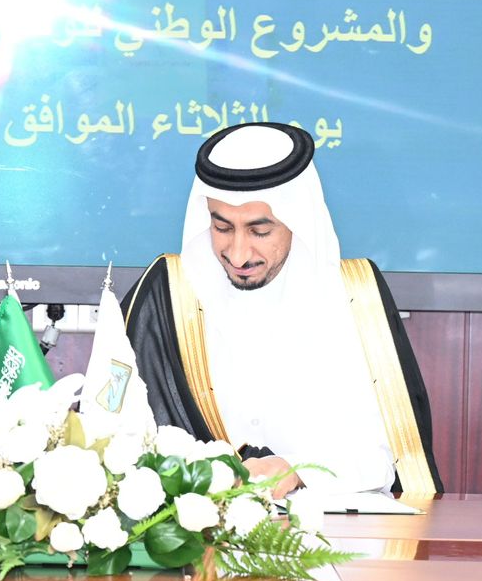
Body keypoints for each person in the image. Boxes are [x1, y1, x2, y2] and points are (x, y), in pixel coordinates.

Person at [122, 122, 440, 497]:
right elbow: (115, 436)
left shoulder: (355, 298)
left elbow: (386, 459)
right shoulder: (167, 296)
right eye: (222, 228)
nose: (238, 254)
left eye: (260, 231)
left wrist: (297, 470)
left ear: (297, 220)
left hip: (328, 528)